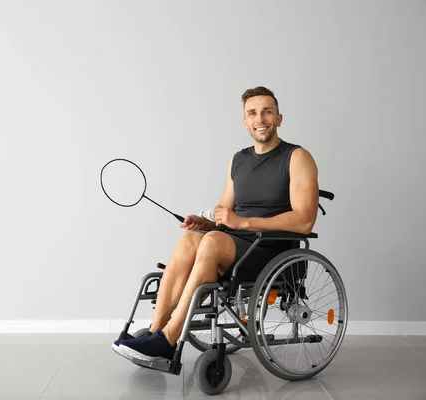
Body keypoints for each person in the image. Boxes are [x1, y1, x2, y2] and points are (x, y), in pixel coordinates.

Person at [112, 86, 320, 362]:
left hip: (272, 250)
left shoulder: (297, 157)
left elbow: (305, 221)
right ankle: (155, 332)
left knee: (212, 241)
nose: (260, 118)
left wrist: (242, 222)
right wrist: (206, 221)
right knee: (191, 240)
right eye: (253, 113)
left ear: (279, 118)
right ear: (245, 123)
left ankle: (170, 339)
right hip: (233, 243)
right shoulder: (238, 160)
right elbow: (225, 211)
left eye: (267, 111)